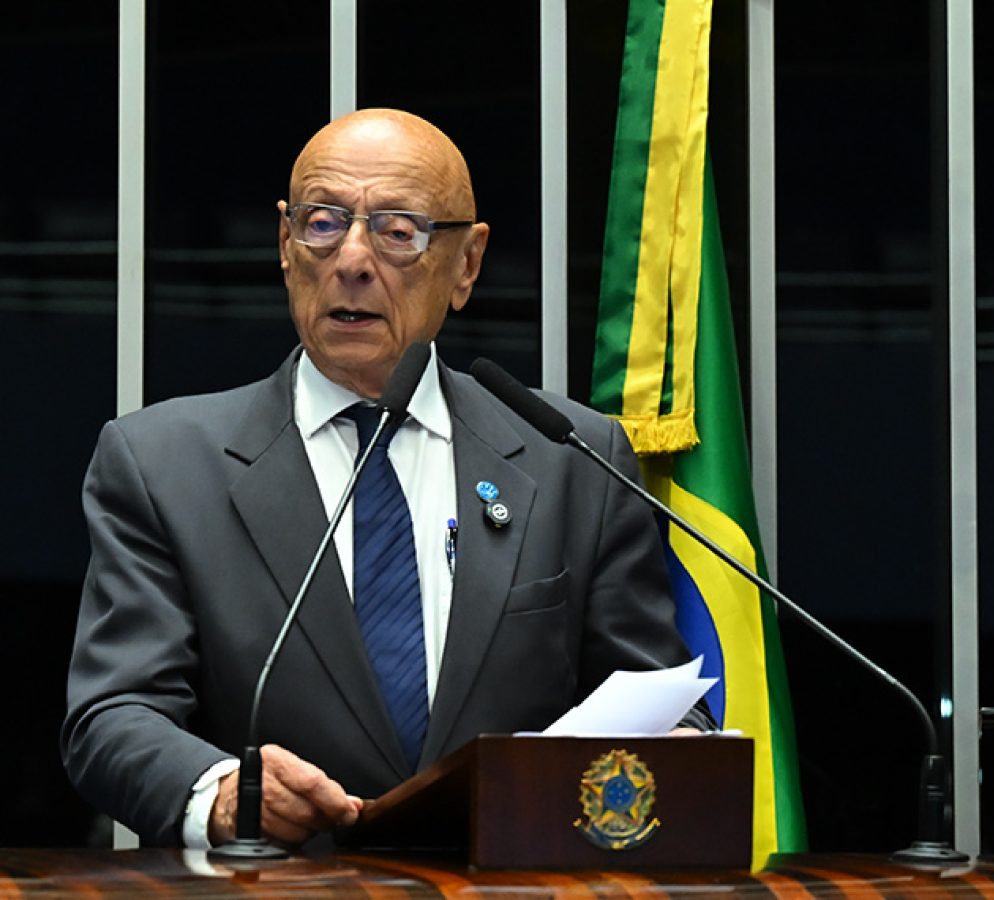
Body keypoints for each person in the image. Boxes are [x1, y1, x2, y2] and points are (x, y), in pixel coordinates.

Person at [61, 108, 709, 850]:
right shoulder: (163, 464)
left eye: (398, 231)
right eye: (323, 223)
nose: (353, 260)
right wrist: (224, 792)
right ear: (285, 246)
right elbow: (111, 716)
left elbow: (653, 697)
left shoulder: (571, 458)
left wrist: (678, 746)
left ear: (466, 265)